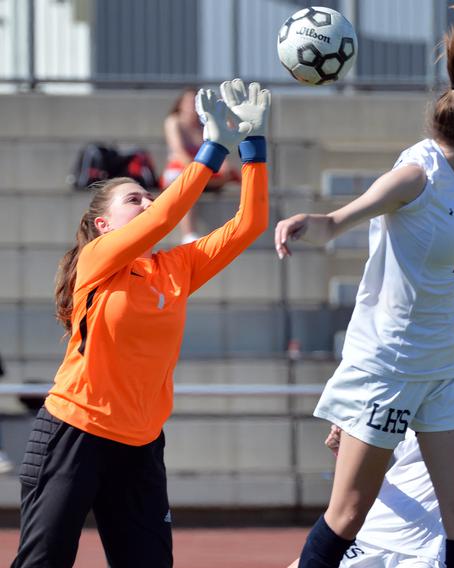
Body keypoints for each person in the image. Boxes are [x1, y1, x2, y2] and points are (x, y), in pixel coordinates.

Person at [274, 3, 454, 567]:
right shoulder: (421, 171)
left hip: (445, 368)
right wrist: (314, 224)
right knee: (348, 513)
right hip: (391, 365)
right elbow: (353, 213)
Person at [11, 79, 270, 568]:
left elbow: (249, 224)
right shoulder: (97, 259)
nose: (148, 204)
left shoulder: (174, 268)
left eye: (149, 197)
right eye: (135, 200)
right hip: (73, 433)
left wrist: (254, 147)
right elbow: (166, 217)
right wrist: (212, 148)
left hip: (140, 446)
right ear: (104, 225)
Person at [286, 311, 454, 568]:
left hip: (426, 549)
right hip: (374, 532)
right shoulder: (400, 397)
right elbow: (375, 473)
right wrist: (343, 451)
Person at [162, 87, 241, 244]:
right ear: (181, 104)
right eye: (189, 102)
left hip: (204, 173)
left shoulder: (203, 126)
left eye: (195, 102)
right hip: (182, 171)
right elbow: (179, 152)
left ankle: (245, 221)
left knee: (237, 175)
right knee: (186, 185)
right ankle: (189, 234)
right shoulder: (174, 121)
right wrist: (201, 171)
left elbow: (219, 147)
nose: (192, 106)